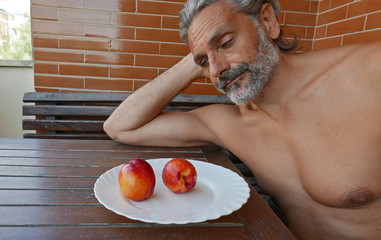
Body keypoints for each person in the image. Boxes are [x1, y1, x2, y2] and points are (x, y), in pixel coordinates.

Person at [104, 0, 381, 239]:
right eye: (204, 63)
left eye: (225, 43)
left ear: (268, 21)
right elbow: (119, 127)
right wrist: (198, 54)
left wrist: (206, 47)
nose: (216, 71)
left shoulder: (369, 73)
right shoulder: (229, 124)